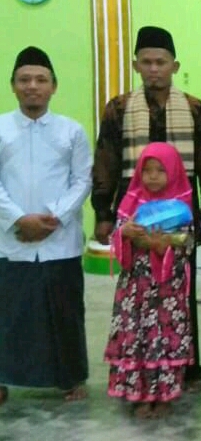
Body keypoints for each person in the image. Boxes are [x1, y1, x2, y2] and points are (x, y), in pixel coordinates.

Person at [92, 26, 201, 392]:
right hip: (135, 214)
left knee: (181, 293)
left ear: (174, 66)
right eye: (146, 62)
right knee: (137, 297)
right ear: (136, 65)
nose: (153, 69)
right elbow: (106, 159)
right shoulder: (118, 109)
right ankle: (140, 369)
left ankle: (184, 368)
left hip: (180, 216)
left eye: (160, 62)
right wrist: (103, 213)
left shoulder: (195, 109)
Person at [0, 47, 92, 406]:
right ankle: (3, 378)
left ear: (54, 86)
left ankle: (70, 377)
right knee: (9, 314)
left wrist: (53, 218)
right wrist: (18, 219)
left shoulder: (71, 131)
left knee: (64, 312)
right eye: (25, 80)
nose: (32, 86)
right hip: (11, 238)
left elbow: (82, 180)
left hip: (60, 240)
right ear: (12, 85)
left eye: (41, 80)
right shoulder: (1, 128)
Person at [104, 143, 195, 419]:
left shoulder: (180, 205)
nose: (153, 176)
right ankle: (140, 395)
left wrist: (159, 244)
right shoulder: (131, 202)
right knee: (137, 338)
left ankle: (164, 395)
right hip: (135, 289)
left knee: (164, 338)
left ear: (174, 172)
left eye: (160, 170)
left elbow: (187, 243)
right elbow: (117, 237)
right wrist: (125, 234)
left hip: (168, 290)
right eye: (147, 170)